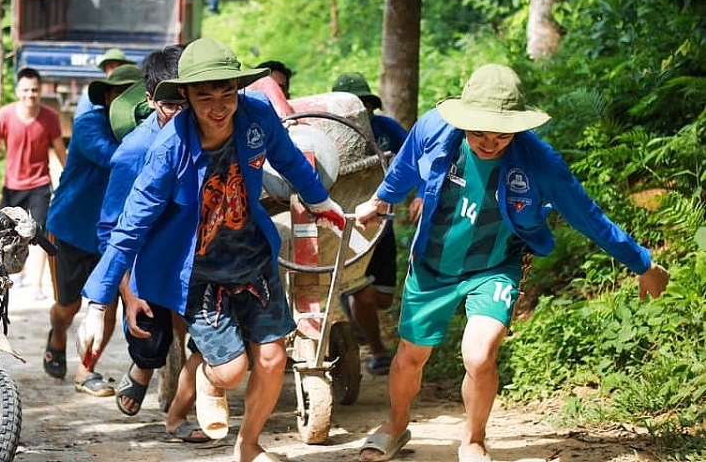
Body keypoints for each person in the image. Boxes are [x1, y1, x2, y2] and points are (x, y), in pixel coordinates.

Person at [352, 64, 671, 462]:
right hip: (433, 263)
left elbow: (587, 215)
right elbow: (403, 168)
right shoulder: (434, 128)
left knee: (480, 355)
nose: (489, 142)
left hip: (496, 264)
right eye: (479, 132)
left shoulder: (539, 161)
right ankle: (396, 425)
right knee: (411, 356)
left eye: (501, 133)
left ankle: (473, 438)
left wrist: (642, 262)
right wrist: (380, 200)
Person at [78, 37, 346, 462]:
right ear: (185, 95)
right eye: (205, 96)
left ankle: (248, 445)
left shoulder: (256, 116)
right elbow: (128, 226)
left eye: (227, 93)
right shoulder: (167, 151)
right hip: (199, 271)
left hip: (253, 256)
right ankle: (208, 376)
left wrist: (319, 200)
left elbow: (290, 159)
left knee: (274, 359)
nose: (219, 106)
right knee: (230, 370)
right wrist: (98, 302)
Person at [93, 44, 210, 442]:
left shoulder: (212, 130)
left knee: (211, 334)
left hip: (199, 245)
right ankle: (143, 368)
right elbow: (112, 230)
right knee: (148, 332)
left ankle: (182, 410)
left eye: (187, 103)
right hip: (147, 253)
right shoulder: (134, 153)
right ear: (150, 100)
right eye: (170, 105)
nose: (181, 114)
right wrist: (126, 293)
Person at [43, 64, 144, 394]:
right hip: (71, 229)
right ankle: (57, 336)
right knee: (68, 308)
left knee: (107, 305)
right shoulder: (89, 125)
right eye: (119, 94)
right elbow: (115, 158)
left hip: (112, 235)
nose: (124, 101)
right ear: (109, 98)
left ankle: (86, 371)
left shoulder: (144, 131)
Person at [331, 71, 410, 376]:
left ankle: (355, 310)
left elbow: (414, 156)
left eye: (365, 104)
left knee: (382, 299)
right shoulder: (326, 134)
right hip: (346, 227)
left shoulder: (386, 130)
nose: (361, 112)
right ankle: (377, 351)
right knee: (363, 294)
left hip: (383, 226)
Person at [0, 67, 67, 299]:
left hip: (39, 183)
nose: (30, 95)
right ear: (18, 91)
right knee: (9, 232)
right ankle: (18, 272)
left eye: (35, 90)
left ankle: (36, 283)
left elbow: (59, 149)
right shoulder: (5, 115)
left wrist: (69, 178)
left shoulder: (50, 117)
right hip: (12, 184)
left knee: (37, 232)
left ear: (40, 92)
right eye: (26, 90)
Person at [74, 48, 134, 118]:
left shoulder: (132, 92)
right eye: (111, 67)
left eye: (120, 67)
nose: (116, 70)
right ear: (105, 69)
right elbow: (82, 121)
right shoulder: (87, 96)